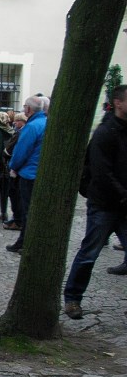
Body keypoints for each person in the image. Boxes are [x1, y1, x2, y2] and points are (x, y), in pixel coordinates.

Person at [63, 84, 127, 319]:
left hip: (122, 206)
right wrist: (123, 194)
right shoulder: (105, 132)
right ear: (118, 103)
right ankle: (72, 298)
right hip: (104, 205)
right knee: (89, 253)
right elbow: (102, 172)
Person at [6, 95, 47, 253]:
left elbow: (21, 152)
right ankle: (25, 241)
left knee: (27, 211)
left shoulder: (32, 126)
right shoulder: (45, 122)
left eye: (24, 106)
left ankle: (26, 243)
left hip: (28, 174)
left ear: (28, 109)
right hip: (38, 173)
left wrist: (13, 167)